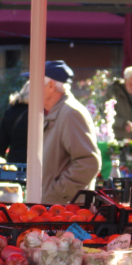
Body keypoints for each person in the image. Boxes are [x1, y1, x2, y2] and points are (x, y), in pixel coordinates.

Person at [40, 60, 101, 205]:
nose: (30, 88)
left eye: (35, 83)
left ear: (50, 86)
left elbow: (88, 163)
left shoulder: (70, 113)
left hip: (65, 210)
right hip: (57, 208)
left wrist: (57, 192)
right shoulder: (58, 111)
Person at [0, 81, 29, 163]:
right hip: (38, 167)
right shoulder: (42, 113)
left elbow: (1, 145)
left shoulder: (11, 112)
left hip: (14, 166)